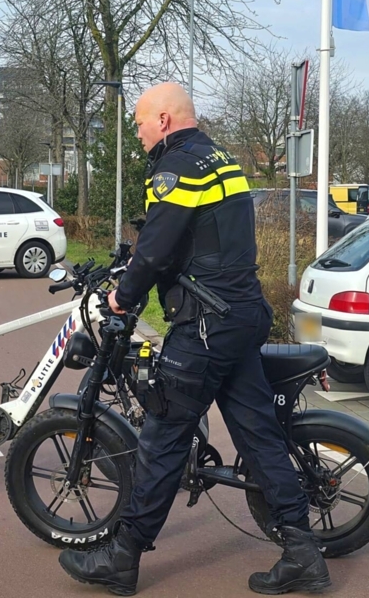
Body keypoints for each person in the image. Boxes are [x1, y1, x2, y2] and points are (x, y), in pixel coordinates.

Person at [58, 83, 330, 596]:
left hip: (205, 326)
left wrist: (123, 297)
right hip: (240, 315)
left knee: (162, 437)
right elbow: (200, 239)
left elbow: (158, 246)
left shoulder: (175, 168)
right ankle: (303, 552)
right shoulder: (221, 158)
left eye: (139, 122)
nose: (136, 133)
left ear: (163, 120)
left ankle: (123, 557)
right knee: (260, 436)